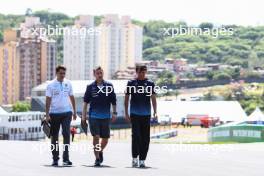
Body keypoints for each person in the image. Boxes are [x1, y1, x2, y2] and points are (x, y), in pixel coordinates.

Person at [82, 66, 117, 167]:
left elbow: (113, 101)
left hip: (106, 116)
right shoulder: (90, 87)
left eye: (101, 73)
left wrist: (114, 113)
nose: (100, 75)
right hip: (94, 116)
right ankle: (97, 158)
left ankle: (100, 151)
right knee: (96, 137)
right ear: (94, 74)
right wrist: (84, 117)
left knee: (105, 139)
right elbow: (85, 103)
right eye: (98, 73)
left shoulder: (109, 86)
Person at [124, 64, 158, 168]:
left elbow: (153, 98)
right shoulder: (131, 83)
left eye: (144, 72)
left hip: (146, 114)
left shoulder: (150, 84)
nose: (143, 74)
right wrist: (126, 113)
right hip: (134, 114)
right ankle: (135, 158)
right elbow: (126, 99)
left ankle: (142, 160)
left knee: (145, 138)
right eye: (141, 72)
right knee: (136, 136)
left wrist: (155, 112)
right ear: (137, 72)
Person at [45, 65, 77, 166]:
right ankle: (55, 159)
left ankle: (66, 159)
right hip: (54, 113)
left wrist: (74, 111)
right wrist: (47, 114)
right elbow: (48, 100)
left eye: (64, 73)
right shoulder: (51, 85)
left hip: (67, 113)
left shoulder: (68, 83)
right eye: (61, 73)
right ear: (56, 73)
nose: (63, 75)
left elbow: (72, 97)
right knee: (54, 137)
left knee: (66, 134)